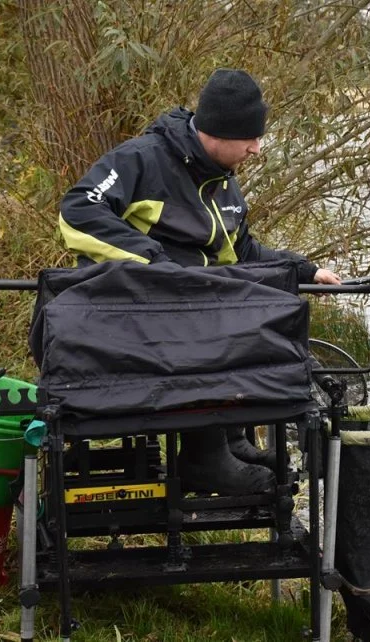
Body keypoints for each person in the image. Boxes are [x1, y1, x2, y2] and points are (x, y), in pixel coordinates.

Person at [59, 68, 341, 495]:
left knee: (252, 314)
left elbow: (243, 253)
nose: (256, 149)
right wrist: (157, 264)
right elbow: (79, 212)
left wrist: (303, 269)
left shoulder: (223, 184)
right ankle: (202, 460)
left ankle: (232, 440)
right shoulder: (141, 159)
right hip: (128, 313)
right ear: (218, 131)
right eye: (250, 137)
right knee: (211, 327)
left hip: (184, 314)